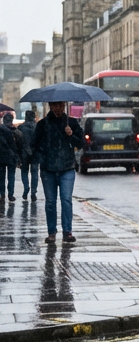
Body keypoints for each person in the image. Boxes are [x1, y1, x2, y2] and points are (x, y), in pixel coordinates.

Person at [32, 102, 85, 243]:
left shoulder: (71, 123)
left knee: (66, 200)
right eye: (55, 106)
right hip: (48, 169)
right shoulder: (43, 124)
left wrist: (71, 135)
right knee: (50, 202)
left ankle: (67, 231)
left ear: (64, 106)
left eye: (60, 106)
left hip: (67, 168)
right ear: (50, 106)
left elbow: (81, 143)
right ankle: (51, 232)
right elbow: (34, 144)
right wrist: (42, 157)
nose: (58, 109)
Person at [18, 110, 38, 201]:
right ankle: (33, 192)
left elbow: (18, 142)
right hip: (35, 153)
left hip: (24, 153)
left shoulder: (21, 127)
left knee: (24, 172)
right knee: (34, 173)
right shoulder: (37, 127)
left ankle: (26, 187)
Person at [0, 112, 20, 202]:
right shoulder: (15, 131)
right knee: (11, 176)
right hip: (11, 156)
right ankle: (11, 194)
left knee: (1, 176)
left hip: (1, 156)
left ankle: (2, 194)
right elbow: (18, 146)